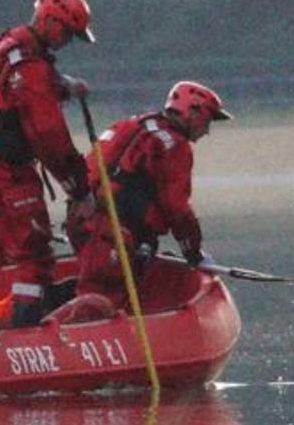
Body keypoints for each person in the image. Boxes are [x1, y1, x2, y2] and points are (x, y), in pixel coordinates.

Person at [0, 0, 95, 327]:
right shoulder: (30, 65)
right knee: (34, 253)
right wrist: (79, 189)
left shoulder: (2, 45)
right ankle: (25, 336)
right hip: (4, 173)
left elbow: (15, 87)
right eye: (68, 34)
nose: (67, 42)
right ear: (51, 22)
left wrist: (63, 86)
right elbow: (50, 137)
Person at [67, 81, 229, 315]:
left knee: (95, 287)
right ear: (192, 111)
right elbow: (177, 209)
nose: (207, 130)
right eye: (208, 120)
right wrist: (193, 252)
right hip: (113, 234)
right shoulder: (175, 146)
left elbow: (87, 171)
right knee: (101, 299)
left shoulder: (130, 125)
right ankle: (78, 341)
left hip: (81, 222)